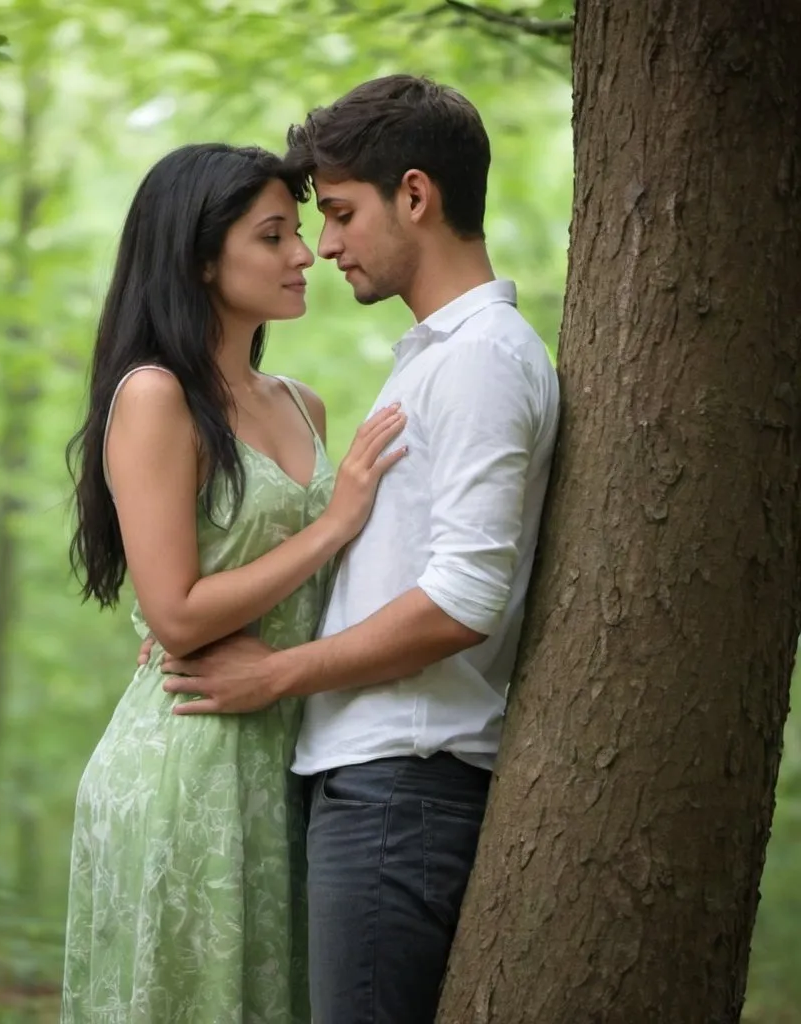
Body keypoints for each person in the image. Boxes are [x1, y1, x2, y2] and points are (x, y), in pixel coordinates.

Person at [158, 76, 561, 1024]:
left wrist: (277, 674)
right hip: (375, 785)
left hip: (403, 792)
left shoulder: (481, 362)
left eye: (339, 213)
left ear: (415, 196)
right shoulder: (436, 361)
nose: (322, 243)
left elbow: (463, 598)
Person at [60, 141, 407, 1024]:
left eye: (300, 232)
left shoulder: (301, 403)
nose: (305, 255)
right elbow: (176, 613)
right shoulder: (155, 396)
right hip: (191, 761)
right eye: (274, 235)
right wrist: (334, 523)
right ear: (201, 258)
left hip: (296, 748)